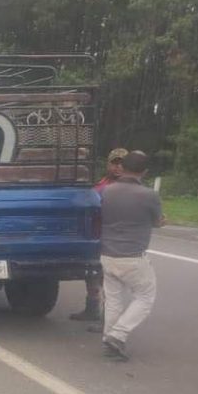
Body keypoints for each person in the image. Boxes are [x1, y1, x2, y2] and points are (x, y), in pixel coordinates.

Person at [99, 150, 164, 361]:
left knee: (113, 300)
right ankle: (117, 335)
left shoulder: (106, 191)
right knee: (145, 297)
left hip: (107, 254)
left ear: (123, 167)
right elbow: (157, 221)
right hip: (133, 256)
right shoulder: (149, 195)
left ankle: (109, 337)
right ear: (144, 171)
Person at [70, 147, 128, 324]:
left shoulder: (126, 188)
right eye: (115, 163)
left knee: (110, 281)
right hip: (96, 238)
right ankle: (93, 308)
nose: (118, 167)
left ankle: (107, 320)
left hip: (115, 239)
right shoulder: (100, 185)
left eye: (122, 164)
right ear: (108, 164)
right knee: (93, 275)